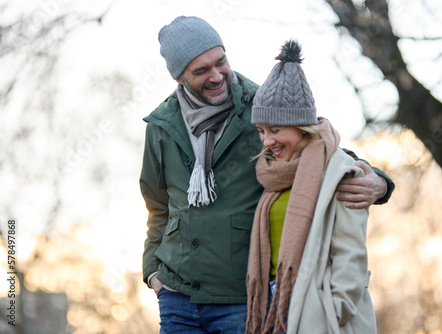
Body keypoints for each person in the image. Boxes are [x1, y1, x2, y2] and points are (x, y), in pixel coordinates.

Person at [139, 16, 393, 333]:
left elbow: (318, 146)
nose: (217, 75)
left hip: (242, 297)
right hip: (177, 296)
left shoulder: (259, 107)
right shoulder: (161, 127)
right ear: (179, 77)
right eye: (201, 70)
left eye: (221, 62)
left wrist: (380, 182)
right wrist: (153, 273)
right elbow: (156, 205)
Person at [245, 40, 376, 334]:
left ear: (302, 126)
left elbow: (350, 257)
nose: (267, 141)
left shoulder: (338, 171)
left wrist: (331, 310)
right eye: (262, 131)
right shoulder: (272, 176)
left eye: (275, 130)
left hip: (318, 310)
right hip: (272, 306)